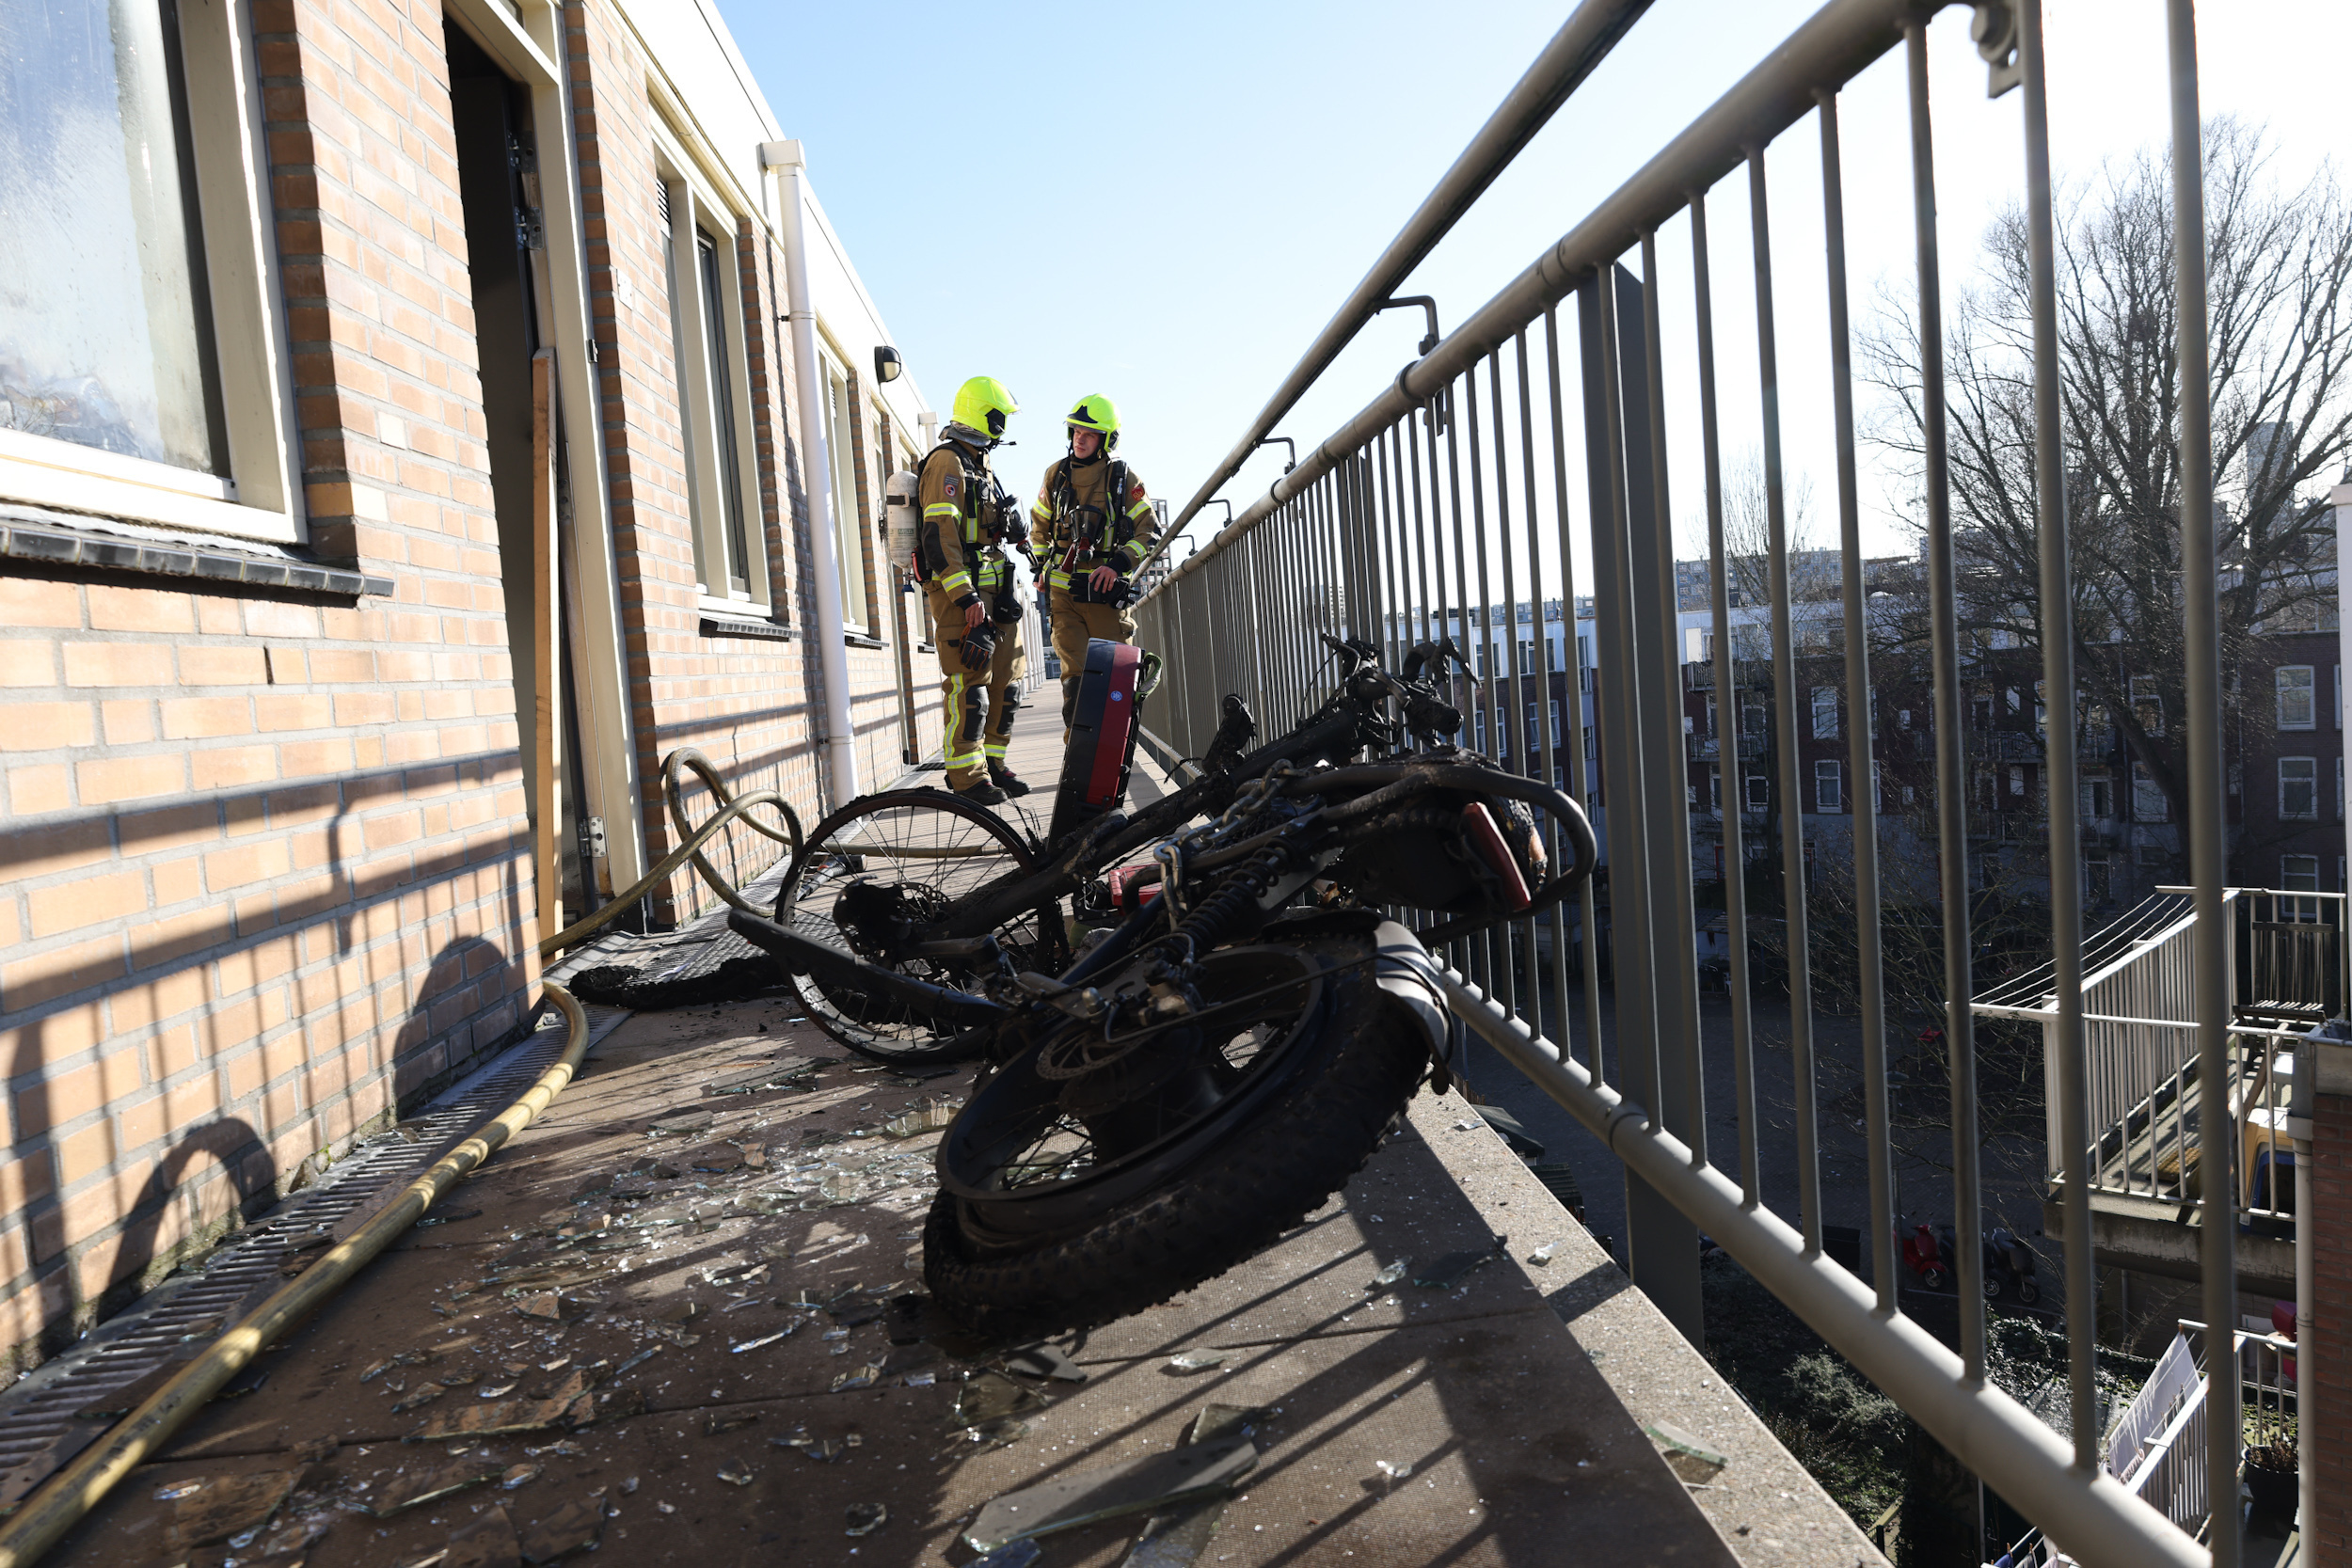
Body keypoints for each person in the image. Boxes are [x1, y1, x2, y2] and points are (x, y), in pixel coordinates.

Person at [915, 375, 1031, 804]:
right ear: (986, 416)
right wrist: (965, 599)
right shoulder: (947, 462)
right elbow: (938, 537)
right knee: (971, 689)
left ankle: (993, 765)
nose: (1004, 425)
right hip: (962, 600)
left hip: (994, 594)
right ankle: (966, 778)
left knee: (1007, 683)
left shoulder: (979, 463)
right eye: (1000, 416)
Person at [1032, 393, 1158, 728]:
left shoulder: (1123, 478)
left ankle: (1112, 753)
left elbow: (1149, 532)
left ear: (1107, 439)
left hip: (1105, 598)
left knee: (1115, 682)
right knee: (1076, 684)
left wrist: (1116, 565)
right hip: (1064, 597)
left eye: (1089, 434)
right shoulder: (1056, 475)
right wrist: (1042, 568)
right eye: (1076, 431)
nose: (1080, 439)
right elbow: (1039, 528)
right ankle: (1077, 755)